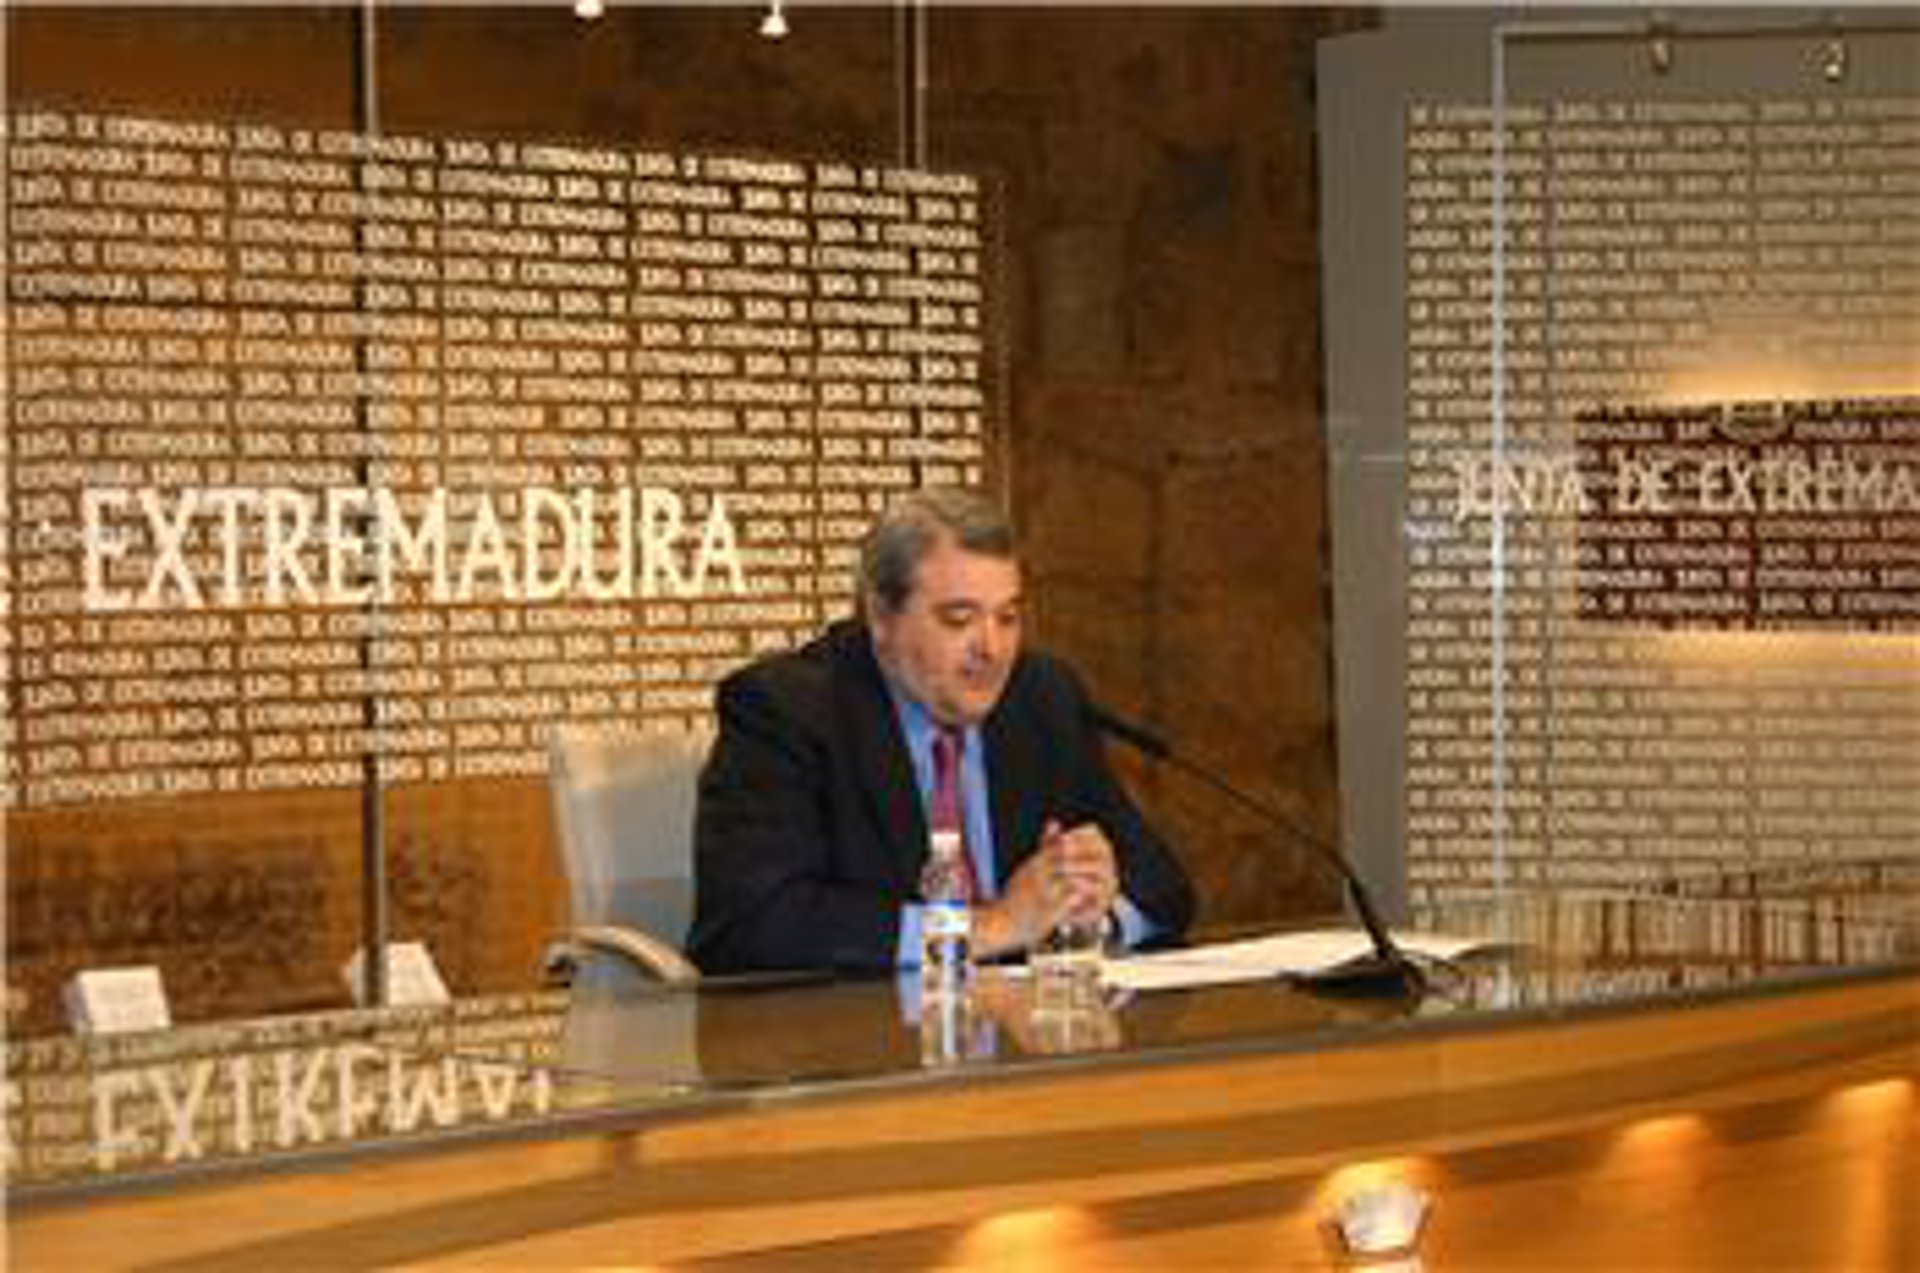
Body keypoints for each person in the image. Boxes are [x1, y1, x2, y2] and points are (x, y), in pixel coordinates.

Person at [690, 487, 1194, 975]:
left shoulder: (1042, 697)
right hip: (864, 1027)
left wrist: (1087, 917)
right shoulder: (789, 711)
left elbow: (1163, 886)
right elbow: (751, 924)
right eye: (959, 619)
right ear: (881, 616)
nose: (991, 649)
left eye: (1008, 618)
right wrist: (991, 927)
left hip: (1021, 1024)